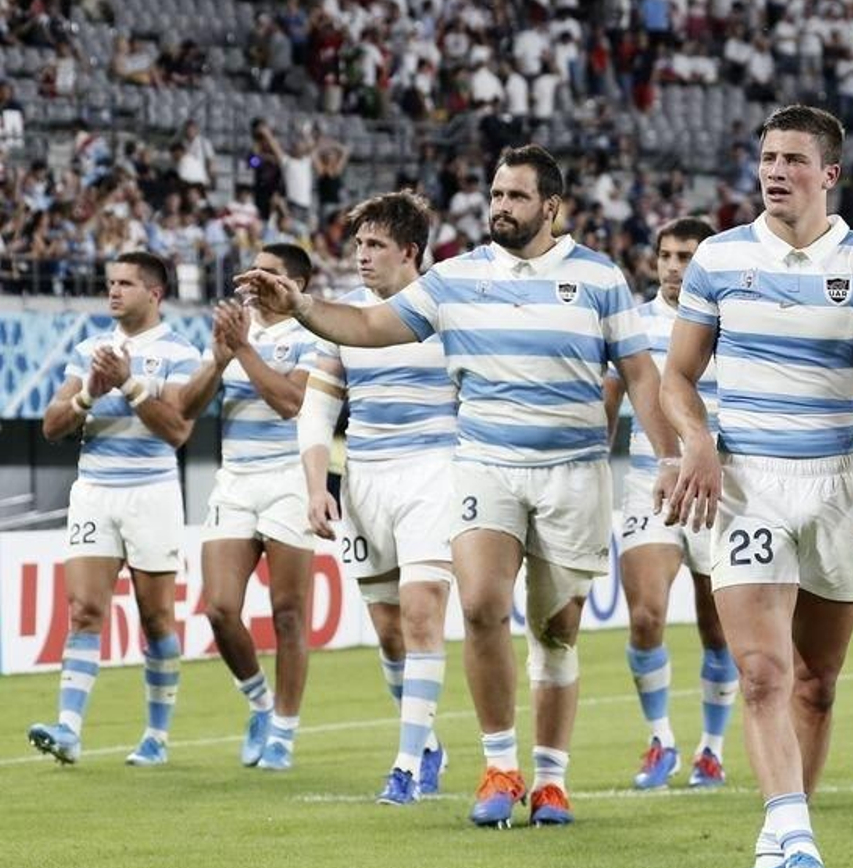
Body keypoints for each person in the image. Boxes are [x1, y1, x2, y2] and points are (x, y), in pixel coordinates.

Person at [236, 144, 677, 829]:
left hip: (574, 473)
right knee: (479, 608)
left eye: (516, 196)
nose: (501, 206)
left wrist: (670, 458)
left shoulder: (598, 277)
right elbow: (368, 324)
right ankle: (500, 765)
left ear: (551, 207)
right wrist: (299, 305)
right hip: (483, 466)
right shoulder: (456, 278)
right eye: (496, 194)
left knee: (557, 631)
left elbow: (641, 375)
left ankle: (551, 779)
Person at [661, 104, 853, 868]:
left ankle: (774, 850)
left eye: (794, 160)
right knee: (762, 673)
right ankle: (797, 838)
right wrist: (697, 442)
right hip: (749, 485)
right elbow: (677, 377)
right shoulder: (719, 257)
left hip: (839, 485)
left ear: (829, 173)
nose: (776, 171)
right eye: (768, 157)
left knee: (817, 683)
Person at [297, 191, 456, 804]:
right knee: (390, 633)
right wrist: (318, 487)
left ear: (410, 251)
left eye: (375, 245)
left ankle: (405, 766)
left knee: (421, 612)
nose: (361, 255)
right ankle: (429, 743)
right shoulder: (343, 320)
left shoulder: (447, 310)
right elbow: (317, 409)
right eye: (358, 244)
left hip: (434, 472)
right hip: (365, 481)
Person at [27, 252, 199, 766]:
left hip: (152, 492)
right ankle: (68, 730)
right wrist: (87, 395)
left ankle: (156, 737)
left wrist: (128, 384)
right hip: (94, 491)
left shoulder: (179, 351)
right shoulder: (89, 350)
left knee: (157, 618)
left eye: (126, 283)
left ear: (154, 293)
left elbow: (177, 430)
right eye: (111, 283)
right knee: (84, 610)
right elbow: (52, 425)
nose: (114, 291)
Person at [181, 243, 319, 771]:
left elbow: (292, 403)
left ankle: (284, 731)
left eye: (269, 272)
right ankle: (260, 704)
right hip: (235, 480)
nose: (255, 279)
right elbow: (185, 409)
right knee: (219, 608)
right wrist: (220, 357)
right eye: (253, 270)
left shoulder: (312, 335)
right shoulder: (235, 332)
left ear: (295, 285)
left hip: (290, 478)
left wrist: (242, 350)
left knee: (287, 614)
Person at [612, 217, 737, 791]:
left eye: (685, 257)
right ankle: (660, 738)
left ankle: (712, 749)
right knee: (645, 617)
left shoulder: (735, 324)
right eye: (665, 255)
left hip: (719, 487)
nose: (672, 267)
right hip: (650, 481)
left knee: (719, 630)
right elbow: (608, 400)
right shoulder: (635, 325)